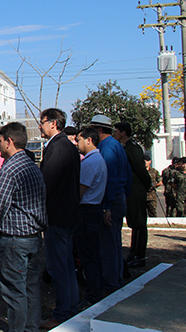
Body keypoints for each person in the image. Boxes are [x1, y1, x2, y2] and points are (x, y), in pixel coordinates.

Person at [0, 122, 47, 332]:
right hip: (33, 236)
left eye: (1, 141)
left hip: (15, 239)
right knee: (30, 287)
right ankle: (31, 328)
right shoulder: (32, 166)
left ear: (9, 141)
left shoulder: (10, 169)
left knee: (15, 292)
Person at [38, 108, 80, 330]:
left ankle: (63, 313)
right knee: (66, 265)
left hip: (58, 215)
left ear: (53, 123)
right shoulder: (67, 146)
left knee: (59, 267)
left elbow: (47, 183)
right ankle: (70, 307)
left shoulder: (58, 147)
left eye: (43, 122)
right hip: (67, 214)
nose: (40, 126)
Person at [90, 115, 131, 294]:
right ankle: (117, 279)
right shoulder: (117, 145)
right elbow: (128, 176)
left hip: (110, 201)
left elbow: (109, 179)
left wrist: (107, 206)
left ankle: (110, 285)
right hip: (119, 198)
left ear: (99, 130)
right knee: (115, 243)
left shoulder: (106, 149)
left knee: (107, 246)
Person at [75, 127, 107, 307]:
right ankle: (95, 290)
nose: (77, 144)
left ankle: (93, 294)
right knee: (92, 254)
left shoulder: (90, 162)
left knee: (88, 256)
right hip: (93, 210)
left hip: (87, 211)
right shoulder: (96, 159)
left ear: (88, 140)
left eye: (79, 140)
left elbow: (80, 191)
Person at [113, 122, 152, 269]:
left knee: (139, 223)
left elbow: (140, 170)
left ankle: (140, 255)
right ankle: (133, 252)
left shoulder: (133, 148)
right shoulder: (124, 148)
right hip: (130, 189)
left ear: (123, 133)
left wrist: (147, 185)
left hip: (136, 189)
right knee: (134, 222)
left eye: (116, 131)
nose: (114, 134)